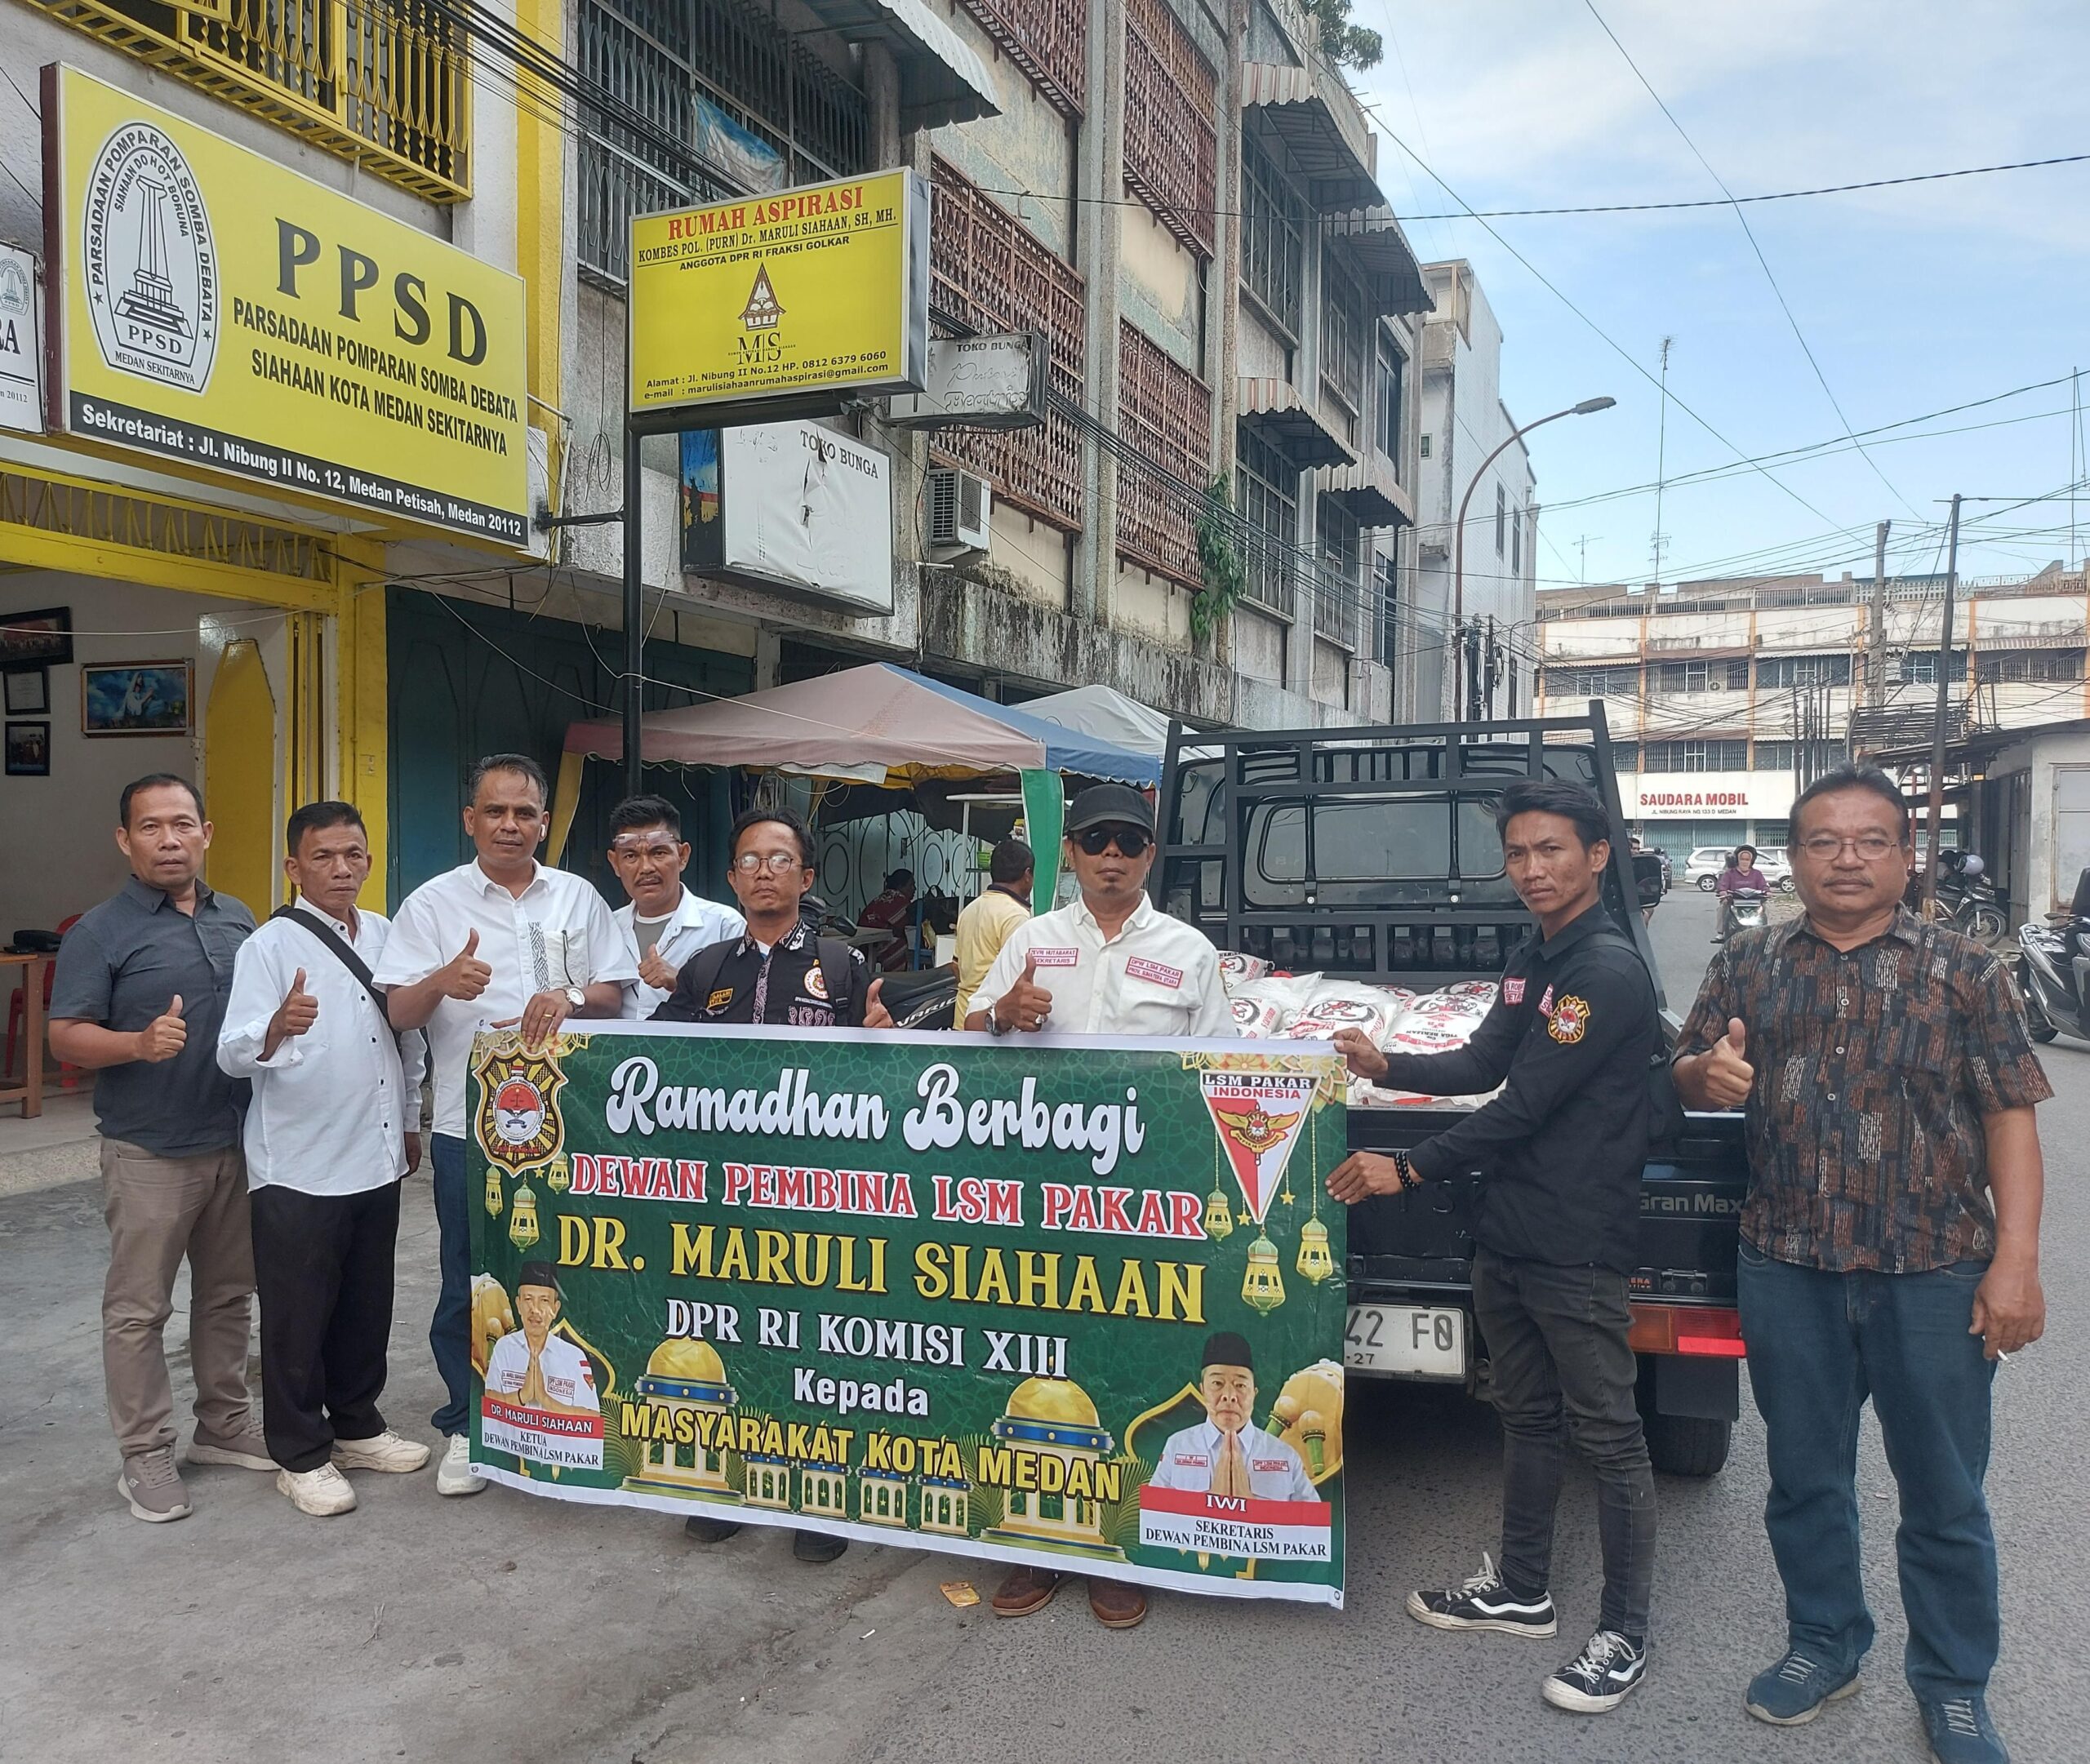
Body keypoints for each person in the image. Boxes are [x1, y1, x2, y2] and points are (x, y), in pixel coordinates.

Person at [1674, 766, 2048, 1764]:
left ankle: (1954, 1684)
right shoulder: (1746, 962)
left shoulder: (1967, 971)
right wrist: (1703, 1073)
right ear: (1792, 858)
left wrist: (2015, 1262)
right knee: (1804, 1479)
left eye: (1870, 840)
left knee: (1944, 1494)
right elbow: (1686, 1072)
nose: (1847, 858)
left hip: (1933, 1270)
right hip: (1786, 1263)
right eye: (1824, 841)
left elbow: (2009, 1117)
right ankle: (1824, 1642)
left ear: (1905, 855)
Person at [1326, 777, 1661, 1717]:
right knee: (1526, 1414)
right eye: (1517, 852)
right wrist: (1389, 1064)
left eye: (1550, 849)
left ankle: (1624, 1633)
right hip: (1508, 1228)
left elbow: (1523, 1104)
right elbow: (1483, 1061)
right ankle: (1521, 1589)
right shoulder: (1533, 955)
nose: (1531, 868)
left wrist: (1408, 1167)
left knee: (1609, 1436)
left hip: (1575, 1240)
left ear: (1597, 856)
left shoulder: (1603, 970)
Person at [966, 781, 1231, 1630]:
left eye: (1127, 841)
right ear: (1071, 854)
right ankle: (1040, 1544)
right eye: (1095, 841)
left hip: (1146, 1199)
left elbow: (1221, 1070)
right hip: (1037, 1189)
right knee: (1040, 1356)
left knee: (1131, 1357)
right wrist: (1001, 1014)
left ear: (1149, 854)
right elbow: (968, 1033)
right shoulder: (1032, 939)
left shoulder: (1189, 951)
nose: (1111, 855)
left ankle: (1121, 1544)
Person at [374, 753, 636, 1500]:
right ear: (471, 820)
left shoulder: (577, 897)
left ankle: (574, 1416)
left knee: (575, 1268)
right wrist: (440, 980)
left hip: (573, 1126)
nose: (510, 824)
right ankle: (469, 1423)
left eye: (524, 812)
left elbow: (614, 992)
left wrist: (569, 995)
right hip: (472, 1129)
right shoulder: (432, 904)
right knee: (472, 1274)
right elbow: (399, 1011)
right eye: (495, 811)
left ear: (544, 822)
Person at [652, 806, 892, 1563]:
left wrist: (888, 1043)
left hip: (821, 1196)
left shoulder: (842, 965)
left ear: (806, 876)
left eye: (780, 859)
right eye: (750, 860)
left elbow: (883, 1071)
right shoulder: (706, 968)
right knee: (730, 1333)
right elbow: (645, 1055)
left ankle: (821, 1499)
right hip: (724, 1195)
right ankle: (728, 1484)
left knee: (816, 1345)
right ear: (731, 877)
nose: (764, 872)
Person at [48, 775, 268, 1522]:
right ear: (125, 839)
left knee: (228, 1294)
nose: (169, 839)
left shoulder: (238, 917)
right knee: (139, 1310)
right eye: (150, 827)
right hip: (150, 1151)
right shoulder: (100, 932)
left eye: (182, 824)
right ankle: (144, 1450)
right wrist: (136, 1044)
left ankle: (224, 1423)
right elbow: (65, 1033)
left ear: (207, 832)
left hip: (236, 1141)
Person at [216, 802, 431, 1517]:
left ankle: (357, 1424)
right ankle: (300, 1452)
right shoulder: (269, 947)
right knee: (298, 1315)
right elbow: (231, 1052)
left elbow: (407, 1036)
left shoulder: (387, 933)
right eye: (324, 856)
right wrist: (277, 1026)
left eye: (353, 854)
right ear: (294, 866)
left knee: (366, 1302)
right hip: (300, 1163)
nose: (342, 868)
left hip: (375, 1150)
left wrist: (408, 1119)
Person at [603, 794, 745, 1016]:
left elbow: (746, 1004)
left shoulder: (724, 925)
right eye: (631, 856)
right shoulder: (606, 927)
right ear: (615, 863)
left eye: (658, 853)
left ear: (683, 856)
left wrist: (683, 981)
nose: (646, 868)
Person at [1148, 1333, 1315, 1501]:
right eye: (1217, 1383)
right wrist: (1211, 1501)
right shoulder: (1178, 1446)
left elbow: (1311, 1516)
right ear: (1202, 1390)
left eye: (1240, 1385)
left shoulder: (1284, 1455)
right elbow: (1154, 1511)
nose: (1229, 1396)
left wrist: (1251, 1505)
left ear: (1254, 1393)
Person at [483, 1264, 600, 1416]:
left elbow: (592, 1416)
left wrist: (544, 1399)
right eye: (528, 1299)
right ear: (518, 1304)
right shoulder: (504, 1347)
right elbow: (489, 1401)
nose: (535, 1309)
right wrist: (522, 1395)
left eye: (544, 1300)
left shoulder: (574, 1357)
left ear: (555, 1308)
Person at [953, 838, 1033, 1026]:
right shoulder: (1016, 915)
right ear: (1027, 875)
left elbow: (955, 966)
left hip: (962, 1017)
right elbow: (1019, 976)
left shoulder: (970, 909)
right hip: (991, 1024)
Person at [855, 867, 917, 972]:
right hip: (875, 943)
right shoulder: (898, 899)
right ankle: (900, 978)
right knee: (906, 946)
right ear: (900, 886)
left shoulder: (885, 896)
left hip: (863, 942)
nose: (914, 889)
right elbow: (906, 926)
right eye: (911, 885)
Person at [1716, 844, 1770, 944]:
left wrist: (1767, 892)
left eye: (1747, 860)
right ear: (1738, 860)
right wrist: (1723, 892)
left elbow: (1763, 886)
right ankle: (1721, 933)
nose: (1745, 862)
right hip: (1734, 901)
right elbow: (1723, 886)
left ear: (1751, 861)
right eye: (1742, 859)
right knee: (1722, 906)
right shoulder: (1729, 873)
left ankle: (1764, 932)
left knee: (1764, 907)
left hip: (1753, 902)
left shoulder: (1757, 874)